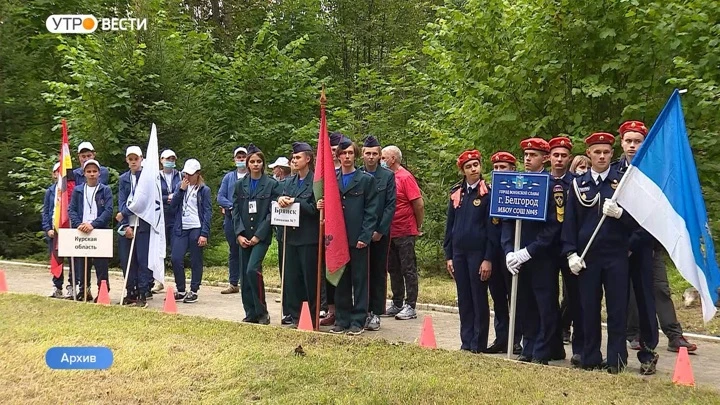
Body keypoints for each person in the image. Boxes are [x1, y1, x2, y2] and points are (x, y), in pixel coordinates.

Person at [616, 120, 697, 357]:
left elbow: (658, 213)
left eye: (637, 141)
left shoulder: (656, 173)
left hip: (648, 243)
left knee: (659, 289)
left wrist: (639, 242)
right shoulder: (614, 172)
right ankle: (634, 334)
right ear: (621, 143)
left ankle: (674, 334)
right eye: (628, 141)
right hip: (619, 245)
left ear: (645, 143)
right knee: (629, 291)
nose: (632, 146)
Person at [561, 132, 637, 374]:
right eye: (597, 152)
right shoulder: (578, 183)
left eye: (606, 152)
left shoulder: (622, 182)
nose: (602, 156)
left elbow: (637, 223)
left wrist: (620, 214)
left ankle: (616, 360)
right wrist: (570, 252)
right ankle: (589, 356)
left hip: (616, 256)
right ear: (589, 154)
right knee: (588, 308)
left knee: (616, 310)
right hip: (587, 257)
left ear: (612, 154)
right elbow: (569, 223)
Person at [502, 138, 562, 365]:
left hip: (541, 255)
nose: (528, 159)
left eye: (533, 155)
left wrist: (529, 251)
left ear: (544, 158)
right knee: (523, 303)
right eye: (526, 155)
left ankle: (542, 350)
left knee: (544, 304)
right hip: (517, 255)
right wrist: (509, 250)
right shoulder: (514, 182)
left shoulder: (551, 185)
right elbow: (506, 217)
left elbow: (554, 225)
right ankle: (528, 346)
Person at [318, 138, 378, 335]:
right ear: (338, 156)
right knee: (340, 279)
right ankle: (342, 319)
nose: (346, 157)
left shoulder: (366, 180)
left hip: (357, 237)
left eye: (350, 153)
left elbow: (371, 210)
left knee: (359, 279)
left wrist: (365, 235)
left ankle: (358, 320)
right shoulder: (332, 179)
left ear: (356, 155)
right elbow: (326, 203)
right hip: (337, 238)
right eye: (343, 153)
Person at [444, 150, 496, 352]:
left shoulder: (487, 193)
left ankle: (478, 343)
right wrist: (448, 255)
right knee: (464, 297)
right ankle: (466, 342)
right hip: (459, 253)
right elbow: (450, 227)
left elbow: (492, 230)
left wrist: (488, 259)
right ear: (463, 171)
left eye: (476, 165)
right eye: (469, 166)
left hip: (478, 253)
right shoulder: (457, 193)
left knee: (478, 297)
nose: (474, 169)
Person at [233, 144, 281, 324]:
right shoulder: (240, 185)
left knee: (253, 269)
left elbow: (272, 212)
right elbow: (235, 210)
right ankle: (250, 311)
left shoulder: (271, 184)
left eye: (258, 161)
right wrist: (239, 234)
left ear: (263, 164)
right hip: (244, 235)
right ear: (247, 164)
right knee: (244, 276)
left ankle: (262, 311)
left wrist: (259, 235)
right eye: (252, 161)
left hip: (260, 236)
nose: (255, 165)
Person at [548, 136, 583, 364]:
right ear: (549, 157)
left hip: (570, 248)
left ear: (569, 158)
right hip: (547, 249)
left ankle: (579, 349)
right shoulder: (541, 182)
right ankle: (553, 346)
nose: (559, 159)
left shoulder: (578, 183)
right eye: (555, 155)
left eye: (563, 155)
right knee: (548, 299)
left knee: (575, 299)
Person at [278, 142, 320, 327]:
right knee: (292, 278)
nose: (294, 161)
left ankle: (310, 315)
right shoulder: (288, 182)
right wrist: (280, 199)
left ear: (308, 159)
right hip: (291, 237)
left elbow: (315, 208)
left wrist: (295, 202)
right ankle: (294, 315)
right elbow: (280, 198)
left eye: (298, 158)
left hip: (308, 236)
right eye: (293, 158)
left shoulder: (315, 182)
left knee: (309, 279)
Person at [485, 151, 522, 354]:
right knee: (498, 296)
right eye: (496, 168)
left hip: (512, 250)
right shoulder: (488, 192)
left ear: (512, 170)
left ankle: (516, 338)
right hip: (493, 251)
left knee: (514, 296)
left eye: (503, 168)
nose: (499, 171)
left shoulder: (519, 191)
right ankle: (501, 337)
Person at [382, 145, 423, 321]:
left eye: (384, 158)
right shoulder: (386, 177)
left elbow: (418, 204)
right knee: (393, 268)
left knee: (408, 269)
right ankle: (397, 302)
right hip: (389, 231)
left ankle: (410, 305)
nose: (381, 161)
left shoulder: (405, 177)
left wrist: (417, 226)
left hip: (405, 230)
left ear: (393, 159)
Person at [360, 135, 396, 331]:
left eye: (375, 154)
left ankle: (375, 312)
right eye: (368, 153)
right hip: (361, 232)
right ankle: (361, 310)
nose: (371, 157)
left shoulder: (387, 176)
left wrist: (380, 230)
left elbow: (390, 205)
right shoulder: (358, 175)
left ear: (380, 156)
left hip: (380, 234)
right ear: (363, 155)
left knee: (378, 271)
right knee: (361, 272)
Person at [68, 159, 113, 302]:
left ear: (99, 173)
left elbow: (108, 211)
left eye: (94, 171)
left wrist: (94, 224)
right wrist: (78, 224)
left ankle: (103, 290)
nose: (92, 174)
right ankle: (84, 290)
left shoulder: (105, 190)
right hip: (82, 230)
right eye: (89, 171)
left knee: (101, 264)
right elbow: (72, 209)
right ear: (84, 173)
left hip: (99, 230)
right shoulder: (78, 190)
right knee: (82, 262)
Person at [170, 159, 212, 304]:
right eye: (185, 173)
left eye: (190, 174)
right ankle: (181, 289)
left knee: (196, 259)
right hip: (181, 227)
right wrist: (181, 190)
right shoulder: (180, 186)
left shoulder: (204, 190)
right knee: (176, 258)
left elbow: (207, 212)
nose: (187, 176)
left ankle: (194, 290)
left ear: (198, 174)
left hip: (196, 227)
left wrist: (204, 233)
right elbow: (173, 206)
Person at [116, 146, 151, 307]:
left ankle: (143, 291)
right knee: (126, 261)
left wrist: (123, 213)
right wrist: (124, 223)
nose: (133, 162)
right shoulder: (124, 178)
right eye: (130, 159)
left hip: (142, 224)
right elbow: (122, 199)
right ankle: (131, 291)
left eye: (135, 159)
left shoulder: (147, 177)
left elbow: (143, 202)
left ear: (141, 159)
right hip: (128, 224)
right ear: (127, 161)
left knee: (142, 259)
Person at [319, 131, 346, 325]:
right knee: (327, 267)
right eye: (332, 149)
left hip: (343, 228)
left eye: (338, 150)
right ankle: (330, 309)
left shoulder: (347, 171)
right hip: (325, 228)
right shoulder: (324, 173)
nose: (335, 153)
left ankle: (344, 309)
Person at [218, 146, 248, 294]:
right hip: (231, 219)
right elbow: (220, 197)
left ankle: (246, 282)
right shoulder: (229, 177)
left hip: (248, 219)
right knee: (233, 250)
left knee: (246, 249)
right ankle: (233, 282)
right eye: (239, 157)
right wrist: (233, 206)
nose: (241, 160)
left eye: (243, 157)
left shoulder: (251, 176)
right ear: (234, 159)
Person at [157, 149, 181, 294]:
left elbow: (183, 191)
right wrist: (167, 198)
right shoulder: (156, 176)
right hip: (160, 216)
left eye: (172, 159)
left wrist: (175, 197)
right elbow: (154, 195)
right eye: (167, 159)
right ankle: (158, 281)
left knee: (176, 253)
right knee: (159, 249)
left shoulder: (180, 175)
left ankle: (179, 284)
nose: (170, 162)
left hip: (176, 216)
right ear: (161, 160)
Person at [44, 162, 67, 298]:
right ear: (54, 174)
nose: (60, 174)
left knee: (72, 259)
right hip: (54, 230)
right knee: (56, 260)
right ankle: (57, 286)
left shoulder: (69, 190)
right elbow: (46, 212)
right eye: (57, 171)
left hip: (67, 229)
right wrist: (47, 228)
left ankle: (73, 285)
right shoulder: (50, 191)